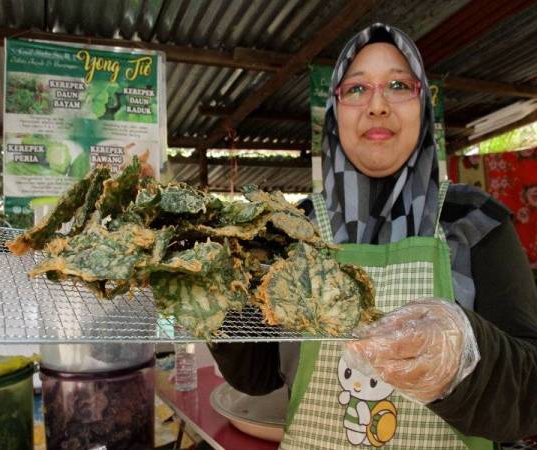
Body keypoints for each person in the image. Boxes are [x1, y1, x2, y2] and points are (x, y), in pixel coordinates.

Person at [210, 23, 537, 449]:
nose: (377, 105)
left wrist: (461, 360)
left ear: (423, 106)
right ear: (334, 111)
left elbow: (530, 398)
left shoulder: (474, 221)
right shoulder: (295, 229)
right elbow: (256, 375)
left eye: (399, 85)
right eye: (357, 89)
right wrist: (214, 300)